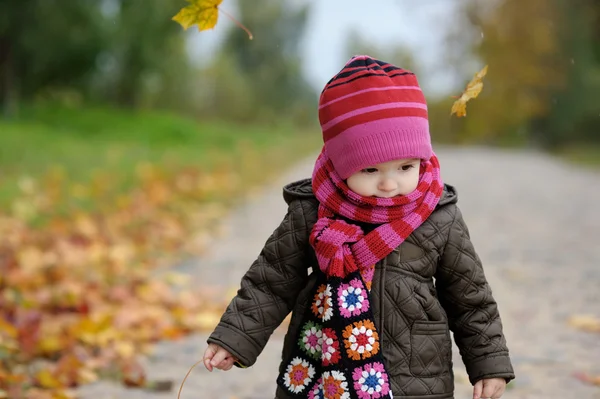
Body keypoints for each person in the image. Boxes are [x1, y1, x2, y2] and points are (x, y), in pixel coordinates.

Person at [202, 55, 515, 399]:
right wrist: (234, 337)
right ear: (341, 164)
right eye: (370, 170)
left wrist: (488, 363)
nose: (389, 184)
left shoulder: (438, 216)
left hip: (412, 377)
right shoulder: (314, 210)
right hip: (323, 369)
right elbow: (271, 281)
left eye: (405, 167)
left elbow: (470, 298)